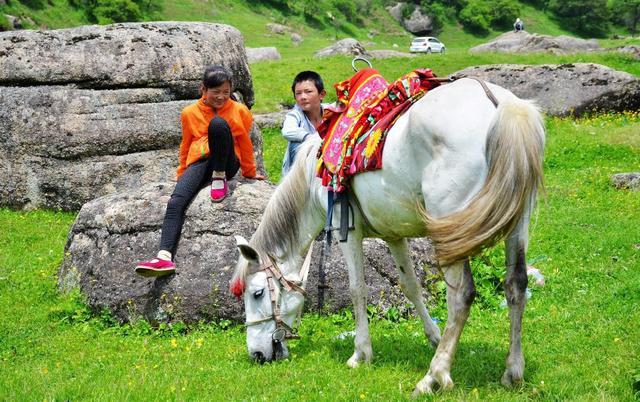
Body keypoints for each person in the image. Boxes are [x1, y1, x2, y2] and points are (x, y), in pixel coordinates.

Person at [135, 65, 264, 277]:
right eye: (216, 92)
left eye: (226, 92)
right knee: (176, 201)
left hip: (227, 162)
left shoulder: (239, 110)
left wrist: (250, 172)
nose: (222, 97)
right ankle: (164, 258)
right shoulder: (189, 113)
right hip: (201, 162)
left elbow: (244, 142)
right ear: (203, 89)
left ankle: (219, 177)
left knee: (218, 125)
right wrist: (182, 175)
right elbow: (186, 145)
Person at [281, 70, 326, 177]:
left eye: (308, 92)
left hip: (326, 167)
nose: (303, 97)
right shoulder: (295, 115)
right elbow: (287, 131)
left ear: (322, 94)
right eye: (298, 93)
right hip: (300, 176)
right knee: (295, 144)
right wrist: (311, 138)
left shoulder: (331, 112)